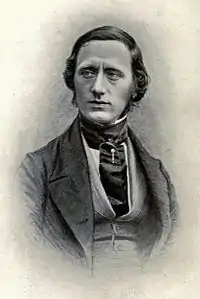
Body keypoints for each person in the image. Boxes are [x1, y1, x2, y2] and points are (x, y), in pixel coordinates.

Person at [17, 26, 177, 270]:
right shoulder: (37, 169)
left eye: (113, 74)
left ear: (135, 85)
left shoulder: (159, 176)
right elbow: (19, 256)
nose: (98, 87)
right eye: (88, 72)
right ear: (73, 81)